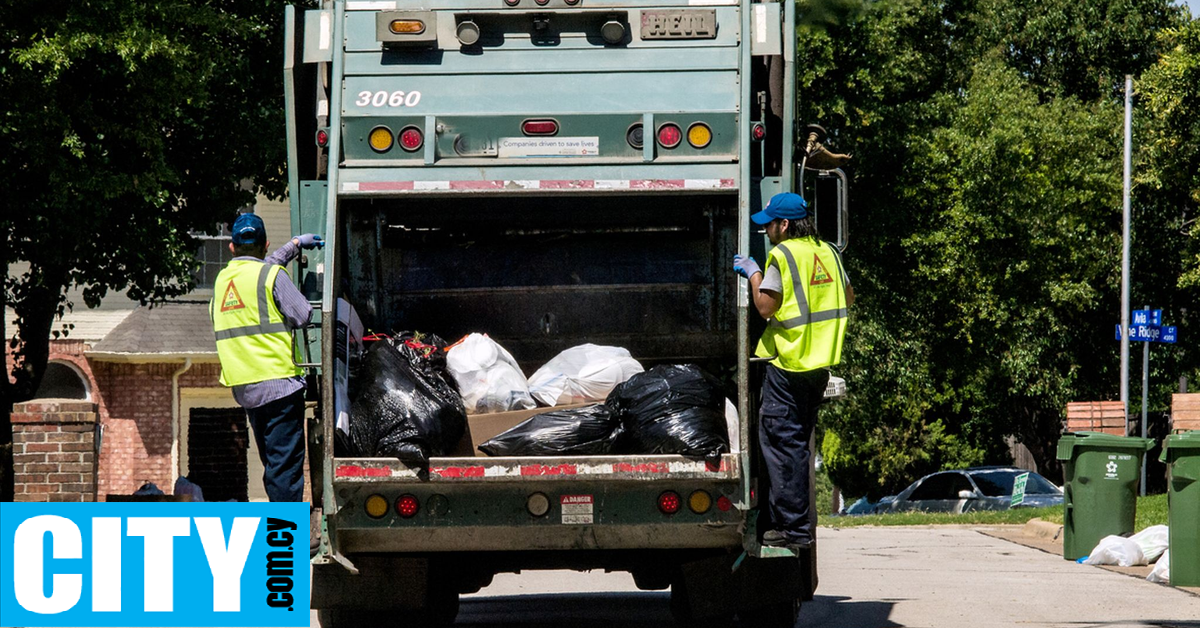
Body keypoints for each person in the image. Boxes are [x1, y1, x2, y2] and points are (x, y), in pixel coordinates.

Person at [732, 192, 853, 548]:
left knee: (781, 445)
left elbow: (766, 307)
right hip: (818, 365)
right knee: (798, 446)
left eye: (769, 224)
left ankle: (793, 530)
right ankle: (798, 526)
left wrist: (754, 275)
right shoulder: (829, 252)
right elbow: (847, 297)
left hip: (788, 365)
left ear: (784, 225)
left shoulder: (782, 255)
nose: (766, 230)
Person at [209, 212, 324, 503]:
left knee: (274, 466)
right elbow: (302, 314)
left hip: (247, 388)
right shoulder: (271, 276)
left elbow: (258, 271)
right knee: (284, 469)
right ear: (265, 244)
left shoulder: (222, 282)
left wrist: (295, 245)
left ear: (231, 247)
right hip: (279, 388)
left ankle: (281, 536)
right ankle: (286, 543)